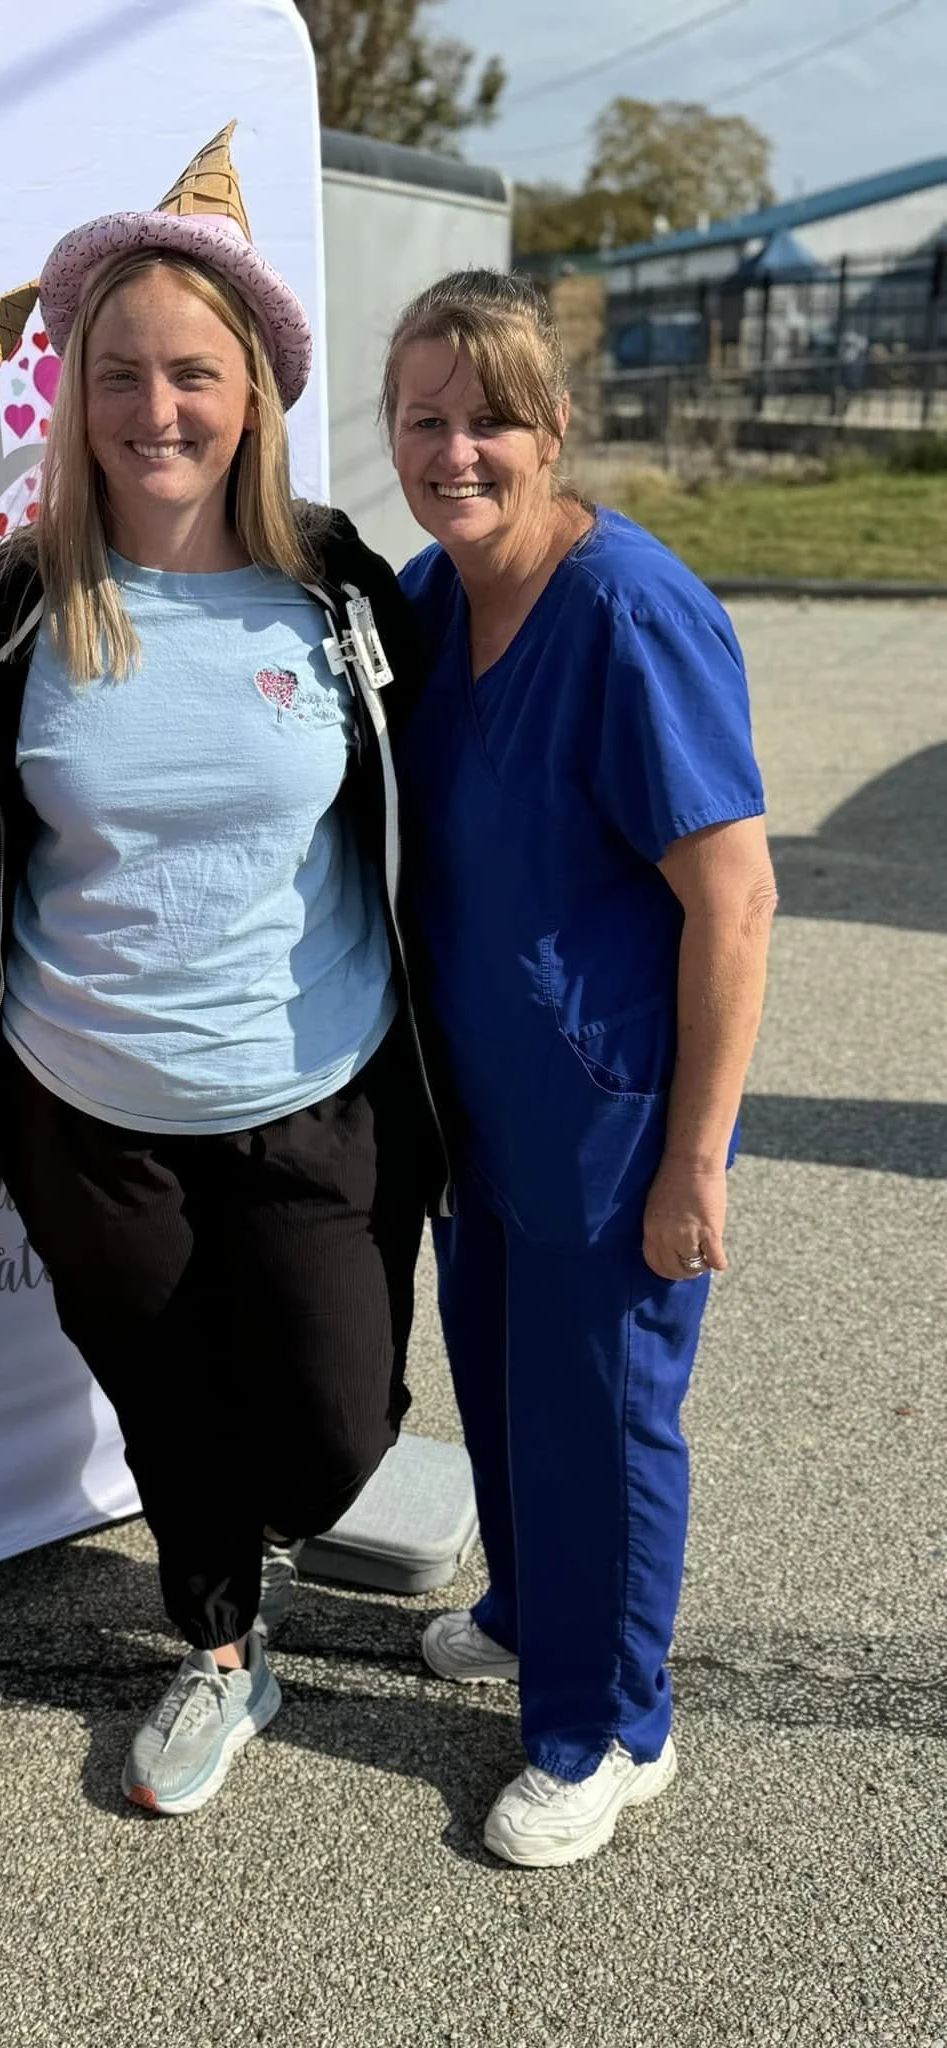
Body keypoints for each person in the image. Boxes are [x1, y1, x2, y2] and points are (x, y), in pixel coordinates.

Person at [0, 124, 445, 1819]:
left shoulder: (341, 590)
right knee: (165, 1406)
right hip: (92, 1115)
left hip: (319, 1093)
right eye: (120, 373)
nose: (157, 408)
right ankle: (220, 1645)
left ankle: (303, 1507)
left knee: (331, 1439)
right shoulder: (11, 614)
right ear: (72, 394)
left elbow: (444, 802)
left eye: (194, 375)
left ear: (256, 394)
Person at [386, 270, 777, 1869]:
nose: (456, 450)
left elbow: (736, 897)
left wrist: (696, 1161)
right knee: (497, 1373)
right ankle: (532, 1605)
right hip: (478, 1104)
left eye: (490, 419)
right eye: (426, 419)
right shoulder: (427, 594)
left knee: (604, 1414)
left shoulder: (629, 610)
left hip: (607, 1115)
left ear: (552, 432)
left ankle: (608, 1723)